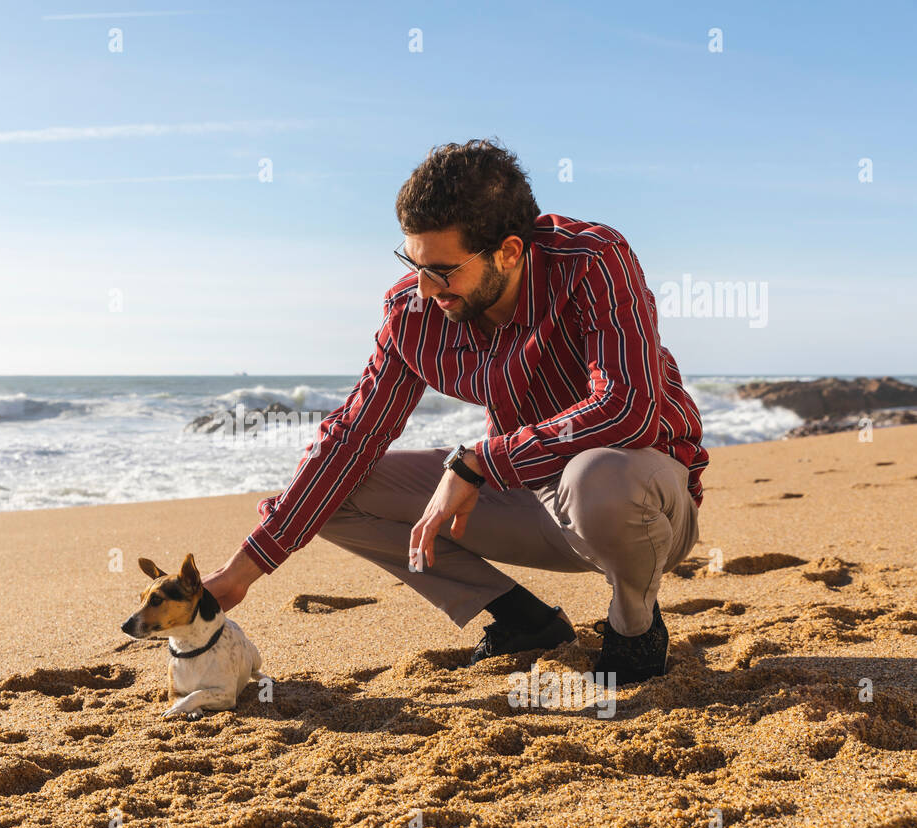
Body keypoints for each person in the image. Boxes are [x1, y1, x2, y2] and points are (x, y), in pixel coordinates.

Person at [201, 138, 707, 684]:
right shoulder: (415, 311)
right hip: (528, 496)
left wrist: (478, 463)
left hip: (641, 501)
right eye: (413, 262)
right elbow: (350, 436)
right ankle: (522, 619)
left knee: (598, 476)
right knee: (339, 488)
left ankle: (633, 627)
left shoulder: (592, 261)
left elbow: (626, 409)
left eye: (443, 270)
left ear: (509, 251)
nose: (424, 287)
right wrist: (244, 570)